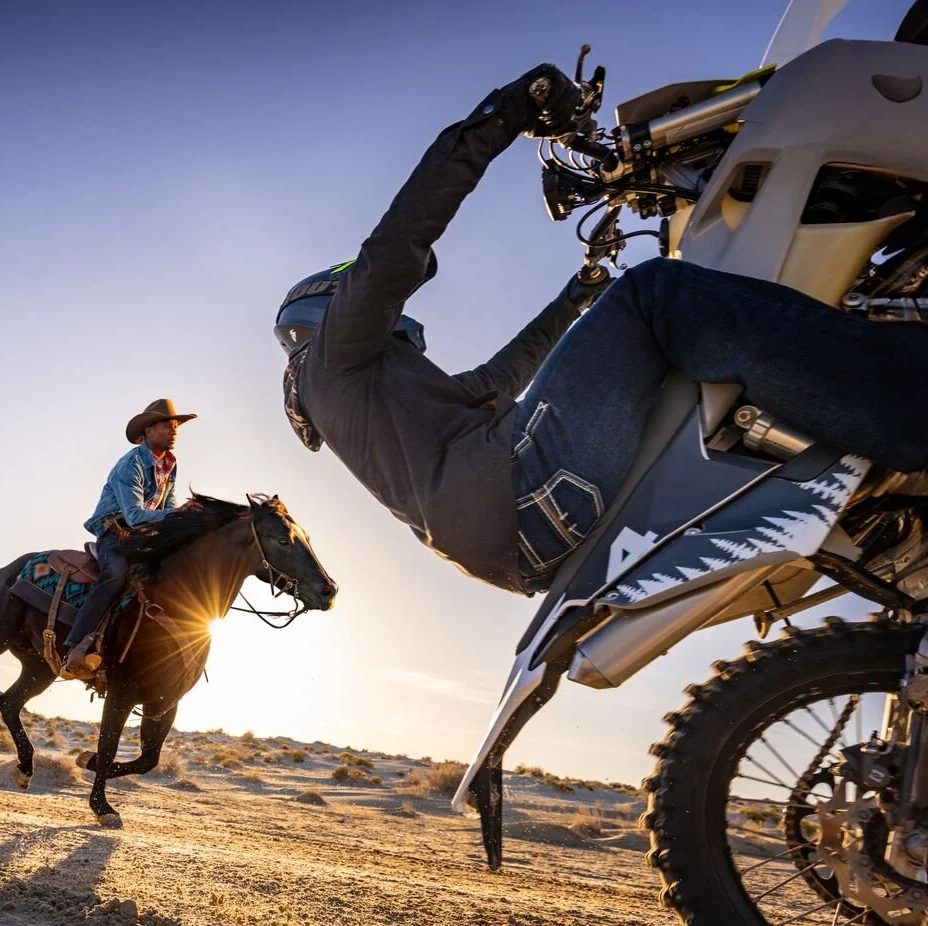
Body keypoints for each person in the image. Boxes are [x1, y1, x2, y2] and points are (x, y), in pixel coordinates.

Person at [275, 64, 928, 596]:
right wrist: (505, 112)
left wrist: (574, 298)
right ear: (322, 308)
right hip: (518, 491)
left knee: (661, 340)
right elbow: (395, 247)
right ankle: (907, 404)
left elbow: (500, 376)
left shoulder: (373, 400)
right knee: (656, 294)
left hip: (520, 533)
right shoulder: (331, 356)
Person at [61, 398, 195, 679]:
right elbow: (134, 515)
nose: (174, 430)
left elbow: (168, 505)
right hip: (115, 532)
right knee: (114, 575)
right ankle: (74, 646)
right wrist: (179, 513)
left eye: (176, 426)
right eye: (167, 425)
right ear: (148, 430)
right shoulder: (131, 464)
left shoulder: (170, 465)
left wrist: (184, 519)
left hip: (144, 537)